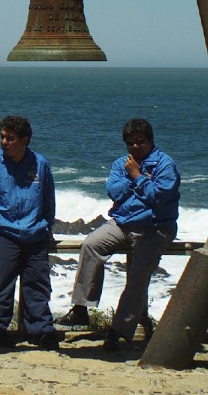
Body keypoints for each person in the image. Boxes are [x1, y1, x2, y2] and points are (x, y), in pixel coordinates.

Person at [67, 117, 181, 353]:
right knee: (91, 244)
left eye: (140, 142)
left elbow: (159, 197)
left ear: (150, 141)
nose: (135, 147)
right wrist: (138, 180)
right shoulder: (122, 163)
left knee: (138, 276)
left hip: (154, 227)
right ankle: (81, 308)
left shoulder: (165, 165)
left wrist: (137, 176)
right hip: (123, 223)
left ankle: (119, 331)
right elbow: (114, 190)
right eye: (130, 143)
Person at [0, 115, 60, 350]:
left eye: (10, 138)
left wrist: (48, 227)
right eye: (2, 137)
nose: (4, 142)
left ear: (24, 140)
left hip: (35, 235)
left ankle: (40, 330)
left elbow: (48, 200)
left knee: (37, 286)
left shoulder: (41, 164)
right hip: (1, 233)